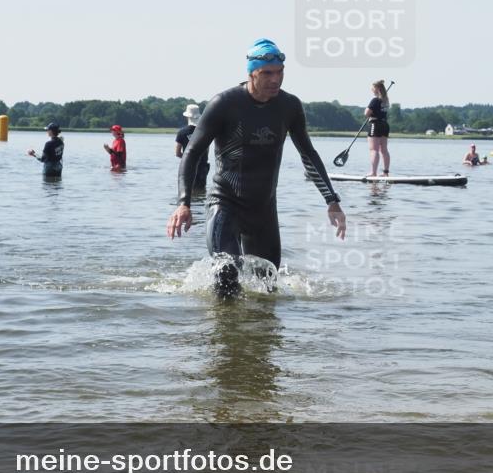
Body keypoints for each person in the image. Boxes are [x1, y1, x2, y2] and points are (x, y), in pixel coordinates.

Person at [167, 38, 347, 296]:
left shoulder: (290, 107)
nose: (275, 80)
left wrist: (332, 200)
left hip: (263, 210)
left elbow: (308, 153)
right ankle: (225, 333)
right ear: (252, 72)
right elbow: (192, 152)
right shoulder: (225, 104)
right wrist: (184, 202)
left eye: (280, 72)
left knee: (267, 288)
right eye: (267, 73)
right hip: (225, 203)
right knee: (227, 276)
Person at [175, 104, 210, 191]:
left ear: (187, 117)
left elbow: (177, 153)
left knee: (187, 191)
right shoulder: (204, 131)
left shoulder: (181, 133)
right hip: (202, 167)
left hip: (187, 167)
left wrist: (188, 158)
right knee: (201, 190)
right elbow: (207, 151)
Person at [365, 79, 391, 176]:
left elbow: (366, 113)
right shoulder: (386, 100)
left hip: (375, 124)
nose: (371, 89)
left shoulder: (375, 100)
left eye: (372, 87)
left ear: (376, 88)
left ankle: (373, 172)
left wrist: (369, 113)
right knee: (384, 150)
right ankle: (386, 173)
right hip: (385, 125)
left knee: (374, 149)